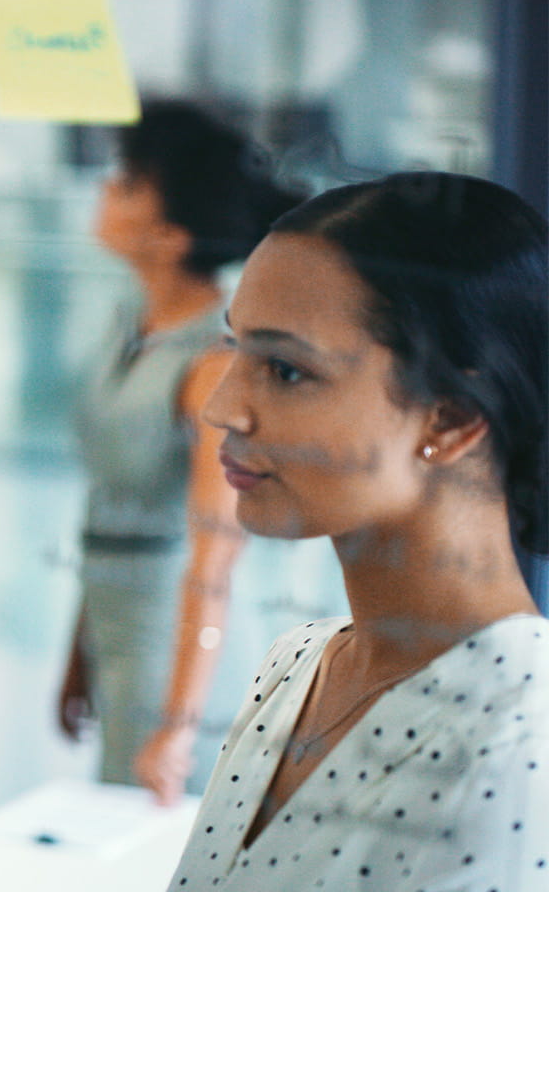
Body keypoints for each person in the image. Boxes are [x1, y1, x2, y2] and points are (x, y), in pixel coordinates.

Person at [170, 173, 548, 890]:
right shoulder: (297, 666)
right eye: (234, 351)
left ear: (450, 418)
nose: (222, 408)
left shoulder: (524, 741)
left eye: (284, 370)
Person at [59, 100, 305, 802]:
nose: (106, 189)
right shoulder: (125, 326)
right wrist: (77, 655)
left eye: (127, 183)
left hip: (182, 649)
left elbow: (216, 553)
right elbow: (108, 500)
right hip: (116, 627)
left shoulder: (211, 364)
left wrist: (181, 724)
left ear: (168, 237)